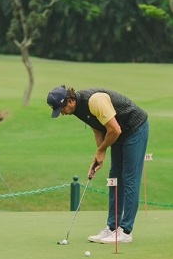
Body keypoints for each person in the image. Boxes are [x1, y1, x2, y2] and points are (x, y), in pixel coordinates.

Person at [47, 85, 149, 244]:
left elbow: (114, 129)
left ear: (70, 100)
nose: (62, 113)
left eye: (62, 109)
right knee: (114, 178)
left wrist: (101, 150)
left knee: (129, 178)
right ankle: (112, 227)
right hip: (117, 132)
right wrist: (99, 155)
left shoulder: (95, 101)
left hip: (134, 128)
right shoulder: (77, 109)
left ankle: (125, 231)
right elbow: (98, 129)